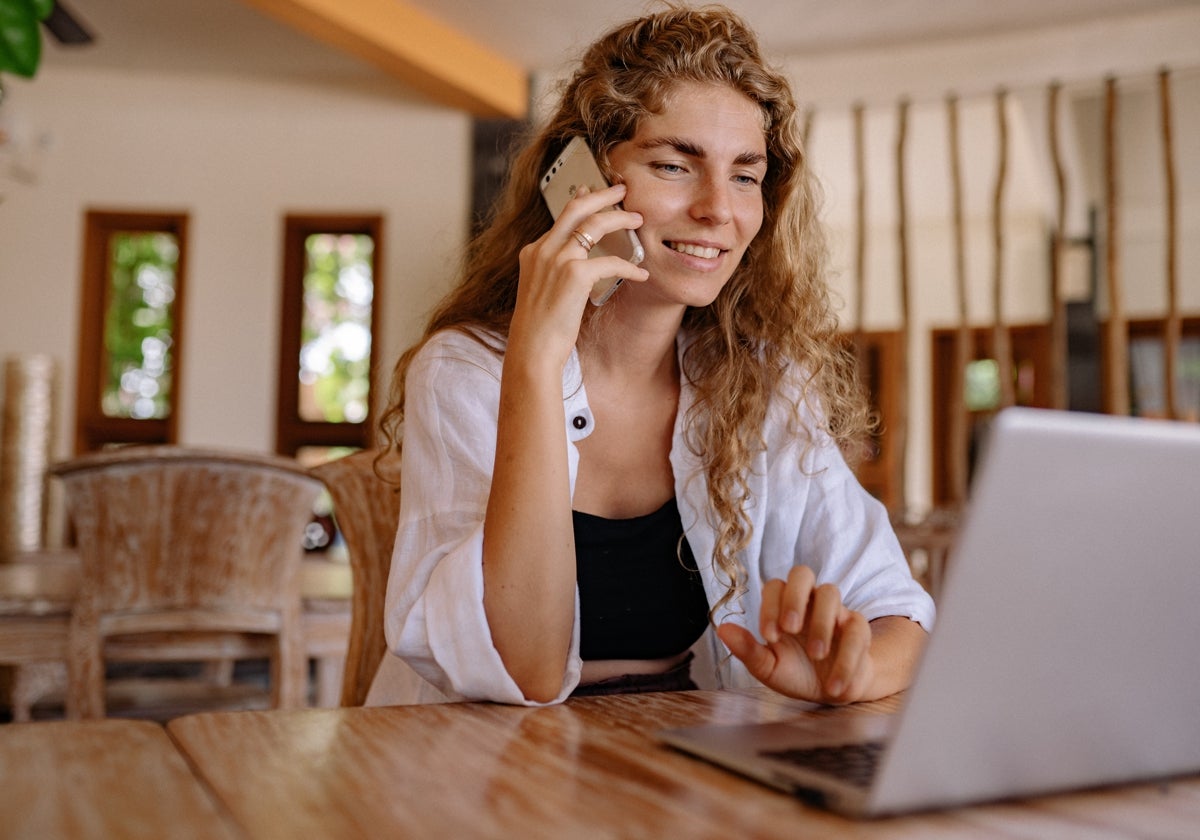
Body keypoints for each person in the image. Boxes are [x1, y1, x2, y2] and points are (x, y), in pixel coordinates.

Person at [367, 3, 935, 707]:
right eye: (674, 164)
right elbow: (529, 671)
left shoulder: (761, 381)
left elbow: (900, 614)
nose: (717, 209)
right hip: (477, 766)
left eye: (745, 176)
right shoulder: (466, 371)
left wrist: (853, 672)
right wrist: (537, 364)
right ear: (579, 181)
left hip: (674, 756)